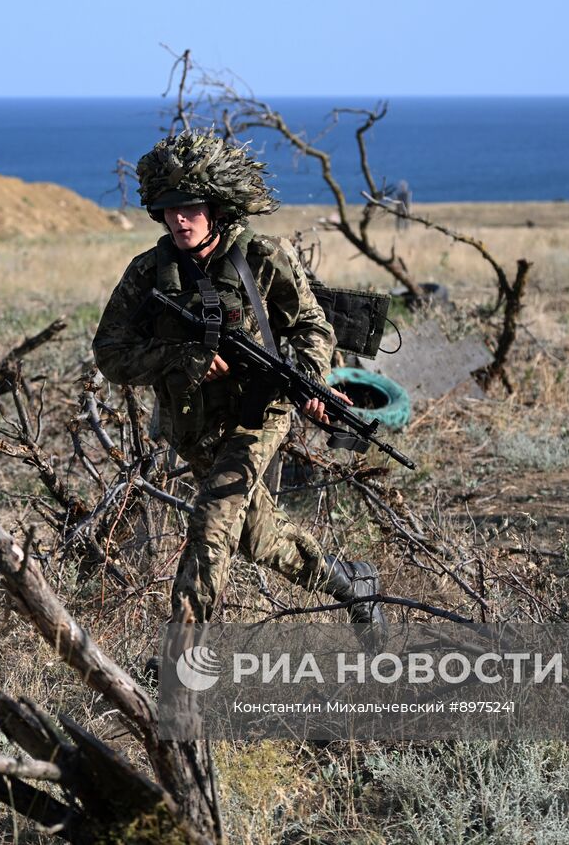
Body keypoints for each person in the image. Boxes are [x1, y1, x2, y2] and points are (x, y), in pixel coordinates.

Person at [93, 130, 388, 631]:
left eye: (190, 207)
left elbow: (313, 326)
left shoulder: (262, 257)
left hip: (258, 414)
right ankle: (352, 584)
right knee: (256, 537)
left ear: (216, 207)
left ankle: (179, 662)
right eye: (168, 209)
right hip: (195, 423)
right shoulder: (147, 273)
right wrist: (180, 358)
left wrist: (312, 381)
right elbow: (109, 355)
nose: (179, 219)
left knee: (211, 526)